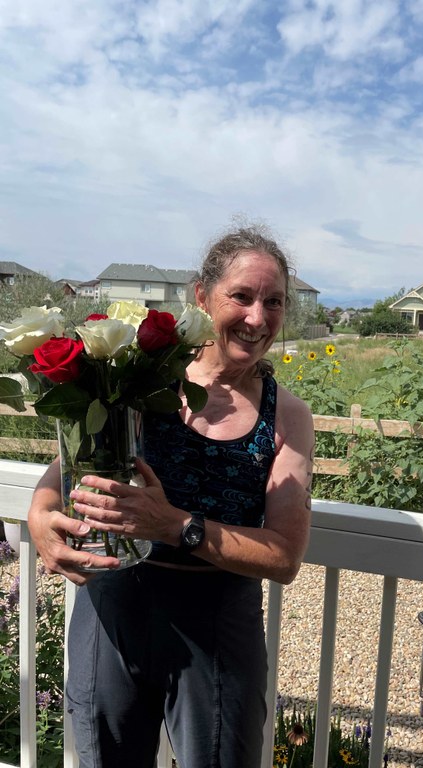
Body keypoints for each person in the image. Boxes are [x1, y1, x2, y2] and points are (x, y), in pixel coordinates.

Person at [27, 226, 315, 768]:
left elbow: (283, 556)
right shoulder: (139, 379)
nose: (258, 317)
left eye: (273, 301)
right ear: (201, 297)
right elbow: (66, 470)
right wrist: (41, 517)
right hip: (114, 602)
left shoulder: (287, 415)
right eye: (242, 296)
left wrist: (173, 524)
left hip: (218, 618)